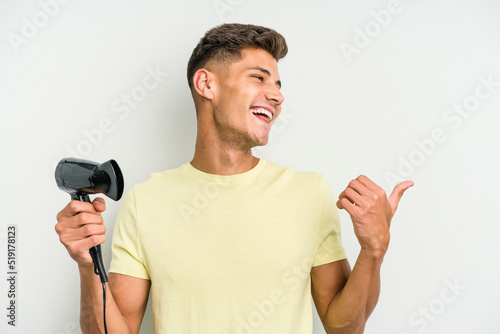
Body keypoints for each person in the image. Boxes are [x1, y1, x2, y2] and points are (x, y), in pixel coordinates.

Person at [55, 23, 413, 334]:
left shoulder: (309, 192)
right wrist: (88, 268)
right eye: (258, 77)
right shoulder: (145, 200)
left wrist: (373, 251)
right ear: (206, 84)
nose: (277, 95)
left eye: (278, 83)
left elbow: (343, 327)